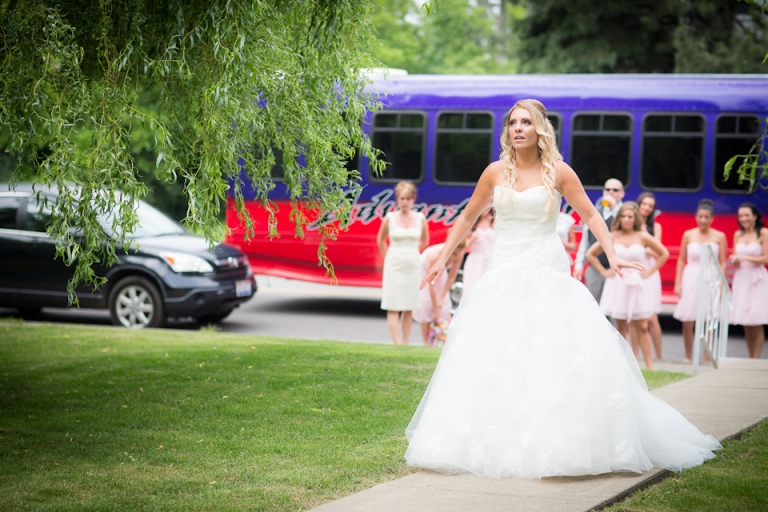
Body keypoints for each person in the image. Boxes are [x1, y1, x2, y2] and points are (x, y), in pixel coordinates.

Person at [405, 99, 720, 479]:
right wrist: (440, 258)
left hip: (544, 266)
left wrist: (613, 254)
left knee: (549, 347)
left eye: (526, 122)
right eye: (512, 123)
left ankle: (558, 437)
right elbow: (469, 216)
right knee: (496, 348)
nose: (517, 128)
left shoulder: (559, 171)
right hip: (503, 269)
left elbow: (589, 213)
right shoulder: (493, 172)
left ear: (540, 129)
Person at [586, 202, 669, 370]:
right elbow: (590, 254)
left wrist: (651, 271)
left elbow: (664, 253)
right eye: (623, 216)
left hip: (637, 284)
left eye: (629, 216)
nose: (626, 220)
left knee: (642, 327)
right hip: (618, 283)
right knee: (621, 326)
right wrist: (603, 271)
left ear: (635, 218)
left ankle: (650, 366)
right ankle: (624, 365)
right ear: (619, 218)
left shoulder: (643, 236)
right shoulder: (612, 235)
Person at [672, 199, 727, 362]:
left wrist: (721, 283)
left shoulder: (720, 236)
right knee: (688, 320)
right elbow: (682, 259)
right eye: (700, 217)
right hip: (691, 276)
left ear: (712, 219)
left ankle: (707, 357)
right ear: (696, 217)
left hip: (711, 277)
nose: (703, 220)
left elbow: (723, 262)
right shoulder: (688, 234)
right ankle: (688, 356)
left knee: (709, 318)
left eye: (706, 217)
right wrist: (677, 282)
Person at [377, 181, 429, 345]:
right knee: (393, 304)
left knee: (409, 304)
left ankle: (405, 342)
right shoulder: (389, 218)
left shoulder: (420, 218)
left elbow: (425, 241)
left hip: (412, 264)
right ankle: (397, 342)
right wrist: (388, 256)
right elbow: (380, 240)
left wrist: (413, 252)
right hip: (394, 263)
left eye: (408, 198)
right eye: (402, 198)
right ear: (397, 200)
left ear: (413, 199)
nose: (405, 201)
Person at [573, 178, 625, 301]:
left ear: (622, 193)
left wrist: (613, 209)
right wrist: (579, 265)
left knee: (615, 311)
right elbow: (585, 240)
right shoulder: (594, 212)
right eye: (608, 189)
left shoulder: (626, 213)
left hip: (617, 270)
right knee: (592, 305)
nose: (611, 192)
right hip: (594, 268)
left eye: (615, 190)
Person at [729, 203, 768, 358]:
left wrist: (744, 257)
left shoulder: (763, 233)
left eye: (746, 215)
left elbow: (766, 258)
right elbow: (734, 254)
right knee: (745, 320)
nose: (743, 219)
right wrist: (735, 260)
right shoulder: (738, 235)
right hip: (742, 277)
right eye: (741, 216)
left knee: (756, 319)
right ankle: (750, 355)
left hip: (757, 278)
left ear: (754, 216)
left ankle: (756, 357)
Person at [414, 238, 466, 345]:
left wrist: (441, 298)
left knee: (444, 306)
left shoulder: (459, 254)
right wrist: (436, 308)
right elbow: (431, 283)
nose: (455, 257)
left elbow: (451, 277)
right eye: (453, 253)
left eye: (457, 254)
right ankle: (426, 343)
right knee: (426, 303)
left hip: (440, 274)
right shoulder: (434, 255)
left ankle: (444, 341)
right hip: (424, 273)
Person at [635, 192, 664, 360]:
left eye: (650, 206)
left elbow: (657, 250)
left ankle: (659, 355)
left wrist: (639, 246)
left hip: (650, 271)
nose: (646, 208)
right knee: (635, 317)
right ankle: (637, 355)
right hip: (635, 270)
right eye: (644, 204)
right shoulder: (630, 223)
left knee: (652, 317)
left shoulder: (655, 227)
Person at [462, 207, 495, 296]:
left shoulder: (494, 220)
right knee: (473, 284)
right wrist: (472, 239)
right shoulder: (473, 222)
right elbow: (464, 246)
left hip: (490, 259)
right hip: (475, 260)